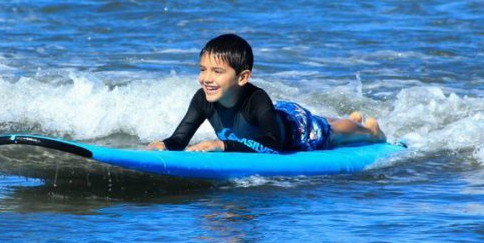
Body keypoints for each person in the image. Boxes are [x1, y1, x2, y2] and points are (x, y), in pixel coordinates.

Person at [147, 33, 386, 153]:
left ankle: (370, 130)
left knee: (329, 130)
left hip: (297, 130)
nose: (206, 78)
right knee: (328, 121)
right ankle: (353, 119)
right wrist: (165, 146)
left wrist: (222, 145)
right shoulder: (203, 99)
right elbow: (180, 139)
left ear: (243, 77)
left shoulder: (257, 99)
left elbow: (273, 144)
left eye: (217, 71)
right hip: (277, 113)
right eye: (202, 69)